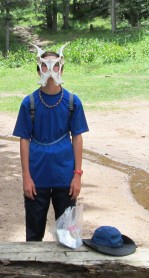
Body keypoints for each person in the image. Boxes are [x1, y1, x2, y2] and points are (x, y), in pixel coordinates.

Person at [13, 44, 89, 241]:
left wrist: (77, 175)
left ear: (62, 69)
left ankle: (67, 270)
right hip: (37, 177)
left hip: (65, 176)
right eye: (45, 67)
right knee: (34, 234)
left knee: (68, 235)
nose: (50, 72)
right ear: (38, 70)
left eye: (55, 67)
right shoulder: (29, 103)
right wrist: (26, 177)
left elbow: (77, 137)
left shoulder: (73, 102)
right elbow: (24, 139)